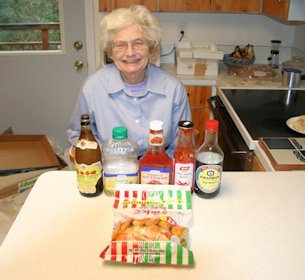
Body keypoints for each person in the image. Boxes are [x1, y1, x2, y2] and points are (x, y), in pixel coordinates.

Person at [67, 5, 191, 157]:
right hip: (110, 170)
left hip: (159, 172)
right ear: (110, 52)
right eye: (120, 45)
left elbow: (182, 146)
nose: (130, 52)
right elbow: (78, 136)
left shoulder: (173, 89)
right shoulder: (93, 87)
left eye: (138, 43)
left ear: (151, 48)